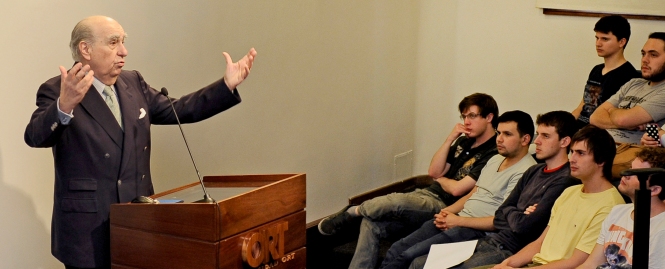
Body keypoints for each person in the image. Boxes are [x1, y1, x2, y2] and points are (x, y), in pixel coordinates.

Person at [24, 16, 256, 269]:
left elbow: (179, 110)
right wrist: (65, 105)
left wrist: (226, 86)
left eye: (123, 42)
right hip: (88, 230)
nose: (124, 51)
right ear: (85, 49)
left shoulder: (133, 82)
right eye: (113, 42)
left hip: (139, 220)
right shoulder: (58, 89)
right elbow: (35, 136)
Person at [318, 93, 499, 269]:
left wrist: (440, 179)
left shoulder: (494, 151)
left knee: (397, 201)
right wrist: (450, 139)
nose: (466, 122)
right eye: (464, 116)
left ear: (489, 117)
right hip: (426, 193)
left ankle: (354, 211)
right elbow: (434, 171)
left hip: (444, 206)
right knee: (371, 224)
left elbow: (458, 190)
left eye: (472, 116)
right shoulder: (464, 142)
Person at [408, 111, 580, 269]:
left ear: (564, 141)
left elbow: (525, 226)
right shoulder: (534, 171)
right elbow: (501, 213)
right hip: (492, 239)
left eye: (546, 136)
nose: (537, 141)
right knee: (418, 263)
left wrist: (514, 213)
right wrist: (519, 212)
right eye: (539, 135)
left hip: (511, 249)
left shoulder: (565, 180)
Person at [378, 111, 538, 269]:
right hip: (458, 218)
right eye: (498, 133)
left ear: (525, 139)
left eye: (507, 134)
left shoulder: (526, 171)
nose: (499, 139)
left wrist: (457, 221)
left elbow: (501, 221)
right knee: (397, 248)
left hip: (474, 230)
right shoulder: (495, 158)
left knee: (410, 257)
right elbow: (473, 193)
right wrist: (446, 212)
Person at [477, 125, 625, 269]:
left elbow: (576, 262)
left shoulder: (611, 206)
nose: (572, 159)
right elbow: (540, 242)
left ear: (601, 161)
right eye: (572, 152)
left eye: (580, 153)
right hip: (536, 263)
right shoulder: (570, 192)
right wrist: (507, 264)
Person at [576, 147, 665, 268]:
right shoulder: (618, 211)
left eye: (635, 174)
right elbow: (591, 264)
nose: (625, 174)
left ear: (654, 190)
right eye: (630, 168)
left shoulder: (662, 230)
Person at [590, 32, 665, 144]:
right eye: (643, 54)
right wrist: (630, 124)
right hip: (599, 144)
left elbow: (622, 120)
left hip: (628, 152)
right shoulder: (634, 83)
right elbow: (595, 117)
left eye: (653, 55)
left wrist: (612, 111)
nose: (645, 60)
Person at [572, 15, 639, 130]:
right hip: (579, 128)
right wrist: (564, 125)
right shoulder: (596, 70)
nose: (598, 43)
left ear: (622, 42)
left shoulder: (630, 76)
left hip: (598, 134)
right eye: (597, 38)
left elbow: (623, 117)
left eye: (605, 39)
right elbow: (583, 104)